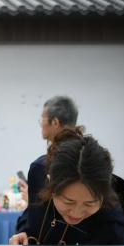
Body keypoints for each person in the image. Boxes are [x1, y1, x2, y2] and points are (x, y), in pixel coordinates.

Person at [16, 96, 78, 231]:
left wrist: (31, 202)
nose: (41, 124)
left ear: (55, 122)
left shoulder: (43, 167)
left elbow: (35, 228)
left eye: (42, 119)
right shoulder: (91, 157)